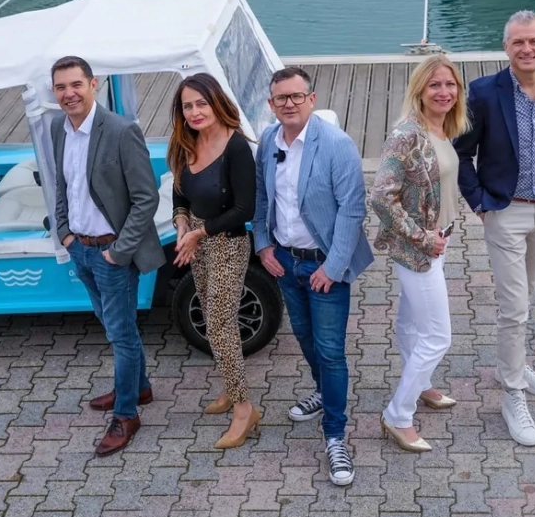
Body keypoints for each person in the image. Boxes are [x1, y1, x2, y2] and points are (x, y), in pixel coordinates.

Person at [454, 10, 535, 447]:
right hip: (505, 213)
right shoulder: (483, 93)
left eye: (534, 41)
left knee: (525, 296)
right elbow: (461, 152)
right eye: (518, 43)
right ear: (506, 48)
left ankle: (512, 364)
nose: (527, 49)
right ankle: (512, 394)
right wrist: (478, 202)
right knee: (515, 308)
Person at [252, 66, 374, 486]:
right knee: (303, 335)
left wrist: (332, 267)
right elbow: (261, 196)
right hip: (285, 261)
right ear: (271, 104)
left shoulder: (337, 145)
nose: (288, 104)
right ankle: (323, 392)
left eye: (296, 97)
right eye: (280, 98)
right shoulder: (268, 140)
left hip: (324, 265)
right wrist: (263, 245)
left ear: (312, 98)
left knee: (331, 351)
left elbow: (353, 210)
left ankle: (336, 436)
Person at [50, 56, 165, 457]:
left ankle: (127, 412)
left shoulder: (120, 130)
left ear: (93, 84)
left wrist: (119, 252)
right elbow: (64, 185)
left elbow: (145, 198)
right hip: (80, 248)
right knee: (111, 324)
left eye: (76, 84)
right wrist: (64, 233)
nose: (69, 93)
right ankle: (139, 386)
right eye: (61, 87)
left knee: (120, 333)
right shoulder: (56, 128)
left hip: (112, 252)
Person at [368, 54, 469, 453]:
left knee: (411, 324)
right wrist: (423, 238)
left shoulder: (442, 128)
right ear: (419, 91)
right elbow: (380, 196)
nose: (444, 92)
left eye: (450, 84)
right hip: (418, 250)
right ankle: (398, 415)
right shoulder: (406, 135)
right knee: (438, 336)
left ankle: (421, 383)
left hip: (437, 241)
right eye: (435, 85)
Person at [166, 73, 260, 449]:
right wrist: (181, 222)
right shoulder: (185, 141)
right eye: (187, 106)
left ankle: (244, 408)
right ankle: (229, 388)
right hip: (196, 239)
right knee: (209, 318)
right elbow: (179, 193)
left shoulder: (236, 147)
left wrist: (200, 233)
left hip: (226, 243)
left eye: (201, 103)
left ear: (216, 101)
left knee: (221, 325)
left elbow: (245, 208)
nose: (194, 112)